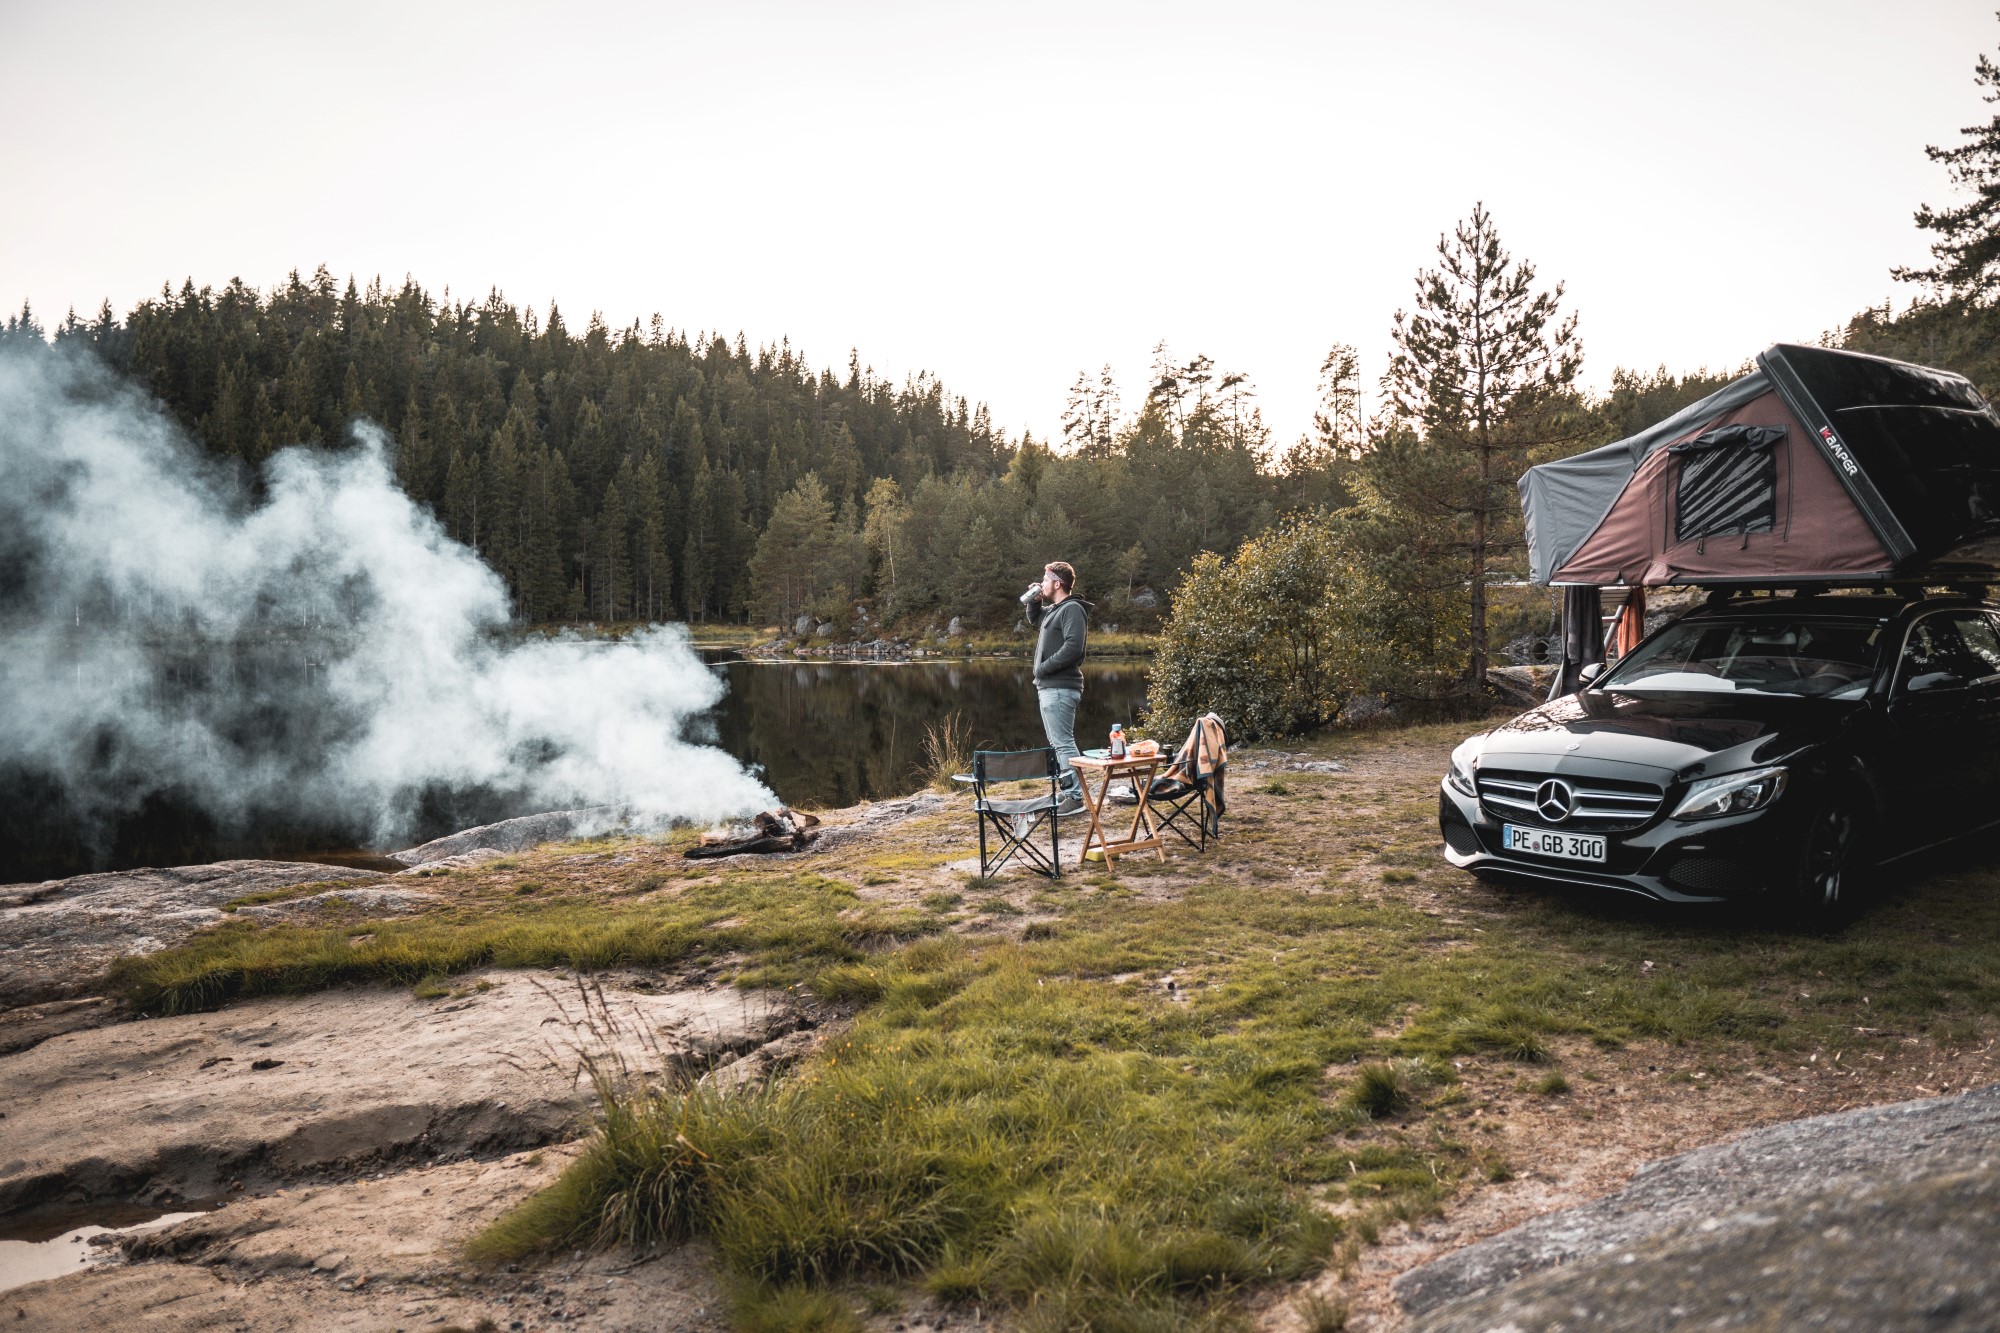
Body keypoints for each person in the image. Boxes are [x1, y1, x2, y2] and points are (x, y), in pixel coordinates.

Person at [1024, 560, 1089, 815]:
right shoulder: (1054, 610)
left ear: (1058, 584)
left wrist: (1043, 668)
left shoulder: (1072, 609)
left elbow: (1073, 647)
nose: (1042, 583)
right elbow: (1035, 619)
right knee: (1056, 742)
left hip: (1061, 687)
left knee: (1063, 743)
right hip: (1049, 687)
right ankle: (1068, 791)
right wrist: (1034, 600)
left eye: (1045, 580)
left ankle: (1075, 798)